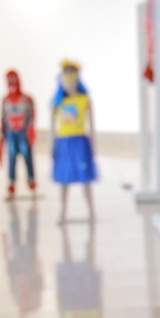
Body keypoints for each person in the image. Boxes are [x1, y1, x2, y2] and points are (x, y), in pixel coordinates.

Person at [50, 60, 97, 221]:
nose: (69, 85)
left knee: (85, 178)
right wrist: (52, 145)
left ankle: (91, 210)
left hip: (80, 143)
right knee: (64, 179)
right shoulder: (58, 101)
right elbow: (53, 126)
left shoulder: (85, 100)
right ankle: (62, 211)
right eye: (66, 80)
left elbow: (92, 124)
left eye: (72, 80)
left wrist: (93, 143)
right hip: (64, 143)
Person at [0, 68, 38, 199]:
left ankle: (32, 182)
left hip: (23, 133)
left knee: (27, 157)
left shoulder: (26, 99)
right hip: (11, 133)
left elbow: (32, 116)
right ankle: (12, 184)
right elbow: (3, 118)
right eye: (9, 81)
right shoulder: (5, 100)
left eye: (13, 80)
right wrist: (2, 135)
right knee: (11, 159)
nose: (11, 84)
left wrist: (31, 131)